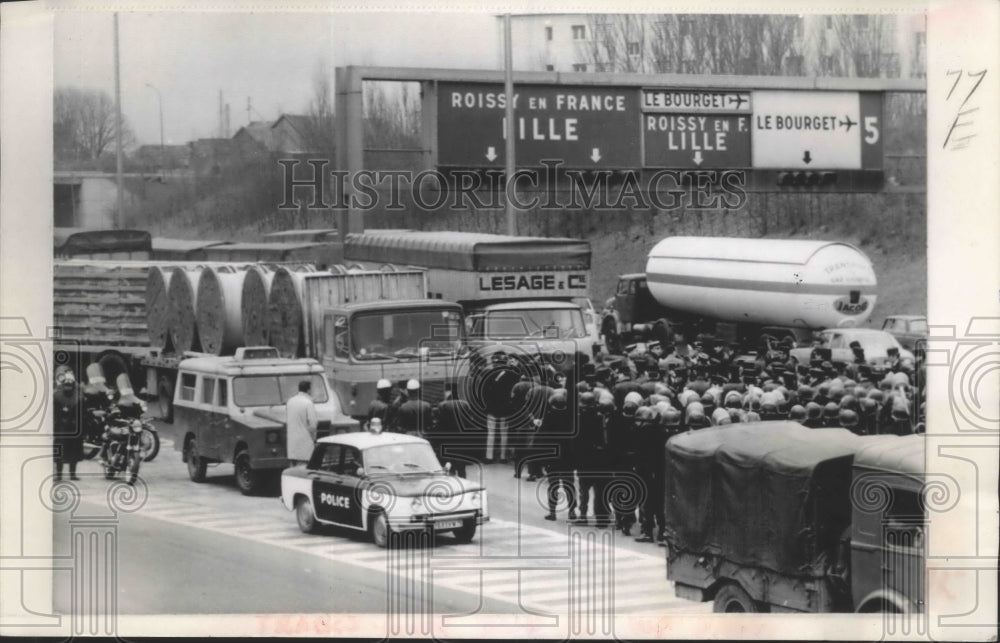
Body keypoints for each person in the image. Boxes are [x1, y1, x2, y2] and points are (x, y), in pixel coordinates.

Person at [53, 367, 83, 481]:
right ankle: (59, 474)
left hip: (73, 427)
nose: (68, 387)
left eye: (70, 385)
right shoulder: (56, 396)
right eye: (66, 384)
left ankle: (72, 474)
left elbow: (82, 413)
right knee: (60, 451)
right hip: (61, 427)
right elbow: (54, 412)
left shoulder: (79, 397)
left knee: (74, 452)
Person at [286, 380, 318, 466]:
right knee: (304, 469)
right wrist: (314, 439)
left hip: (292, 443)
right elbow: (313, 425)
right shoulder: (308, 403)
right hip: (305, 443)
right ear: (308, 390)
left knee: (292, 469)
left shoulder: (290, 401)